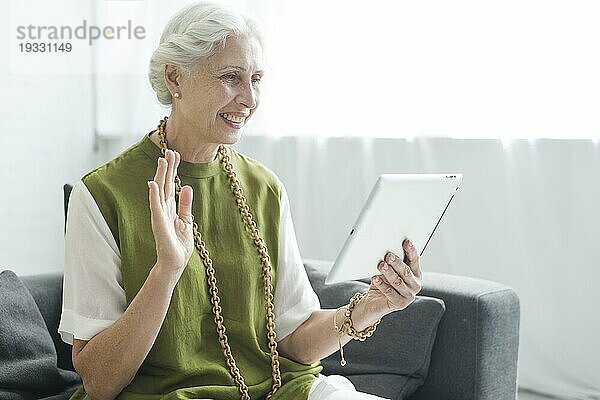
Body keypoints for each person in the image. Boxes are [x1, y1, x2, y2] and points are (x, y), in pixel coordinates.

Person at [58, 2, 422, 399]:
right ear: (175, 77)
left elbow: (295, 338)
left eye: (257, 79)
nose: (249, 99)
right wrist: (165, 272)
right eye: (231, 77)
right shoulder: (100, 194)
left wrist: (370, 307)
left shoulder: (265, 187)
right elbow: (99, 381)